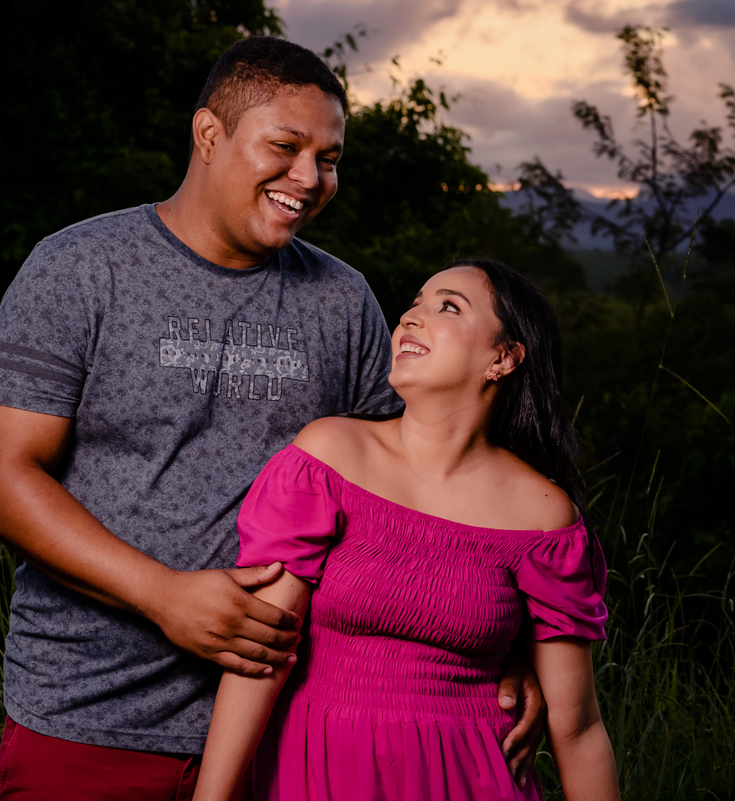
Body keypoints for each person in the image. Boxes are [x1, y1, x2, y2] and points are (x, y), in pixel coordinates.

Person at [0, 38, 544, 800]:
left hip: (293, 730)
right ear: (209, 134)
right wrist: (163, 595)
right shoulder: (81, 268)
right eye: (286, 146)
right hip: (89, 720)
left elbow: (418, 493)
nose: (309, 178)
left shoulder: (343, 303)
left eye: (328, 158)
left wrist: (503, 641)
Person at [192, 259, 620, 801]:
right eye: (415, 303)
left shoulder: (543, 515)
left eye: (447, 307)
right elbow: (263, 655)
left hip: (475, 779)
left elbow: (578, 728)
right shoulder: (331, 455)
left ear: (503, 358)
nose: (410, 317)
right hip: (317, 773)